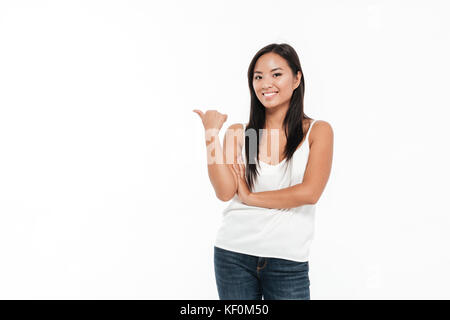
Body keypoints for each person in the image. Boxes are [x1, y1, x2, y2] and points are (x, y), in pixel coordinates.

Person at [193, 43, 333, 300]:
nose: (265, 83)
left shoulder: (317, 131)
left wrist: (250, 198)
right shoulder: (243, 133)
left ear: (296, 78)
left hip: (287, 261)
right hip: (233, 254)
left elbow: (310, 192)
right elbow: (224, 193)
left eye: (276, 74)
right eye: (258, 77)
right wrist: (211, 134)